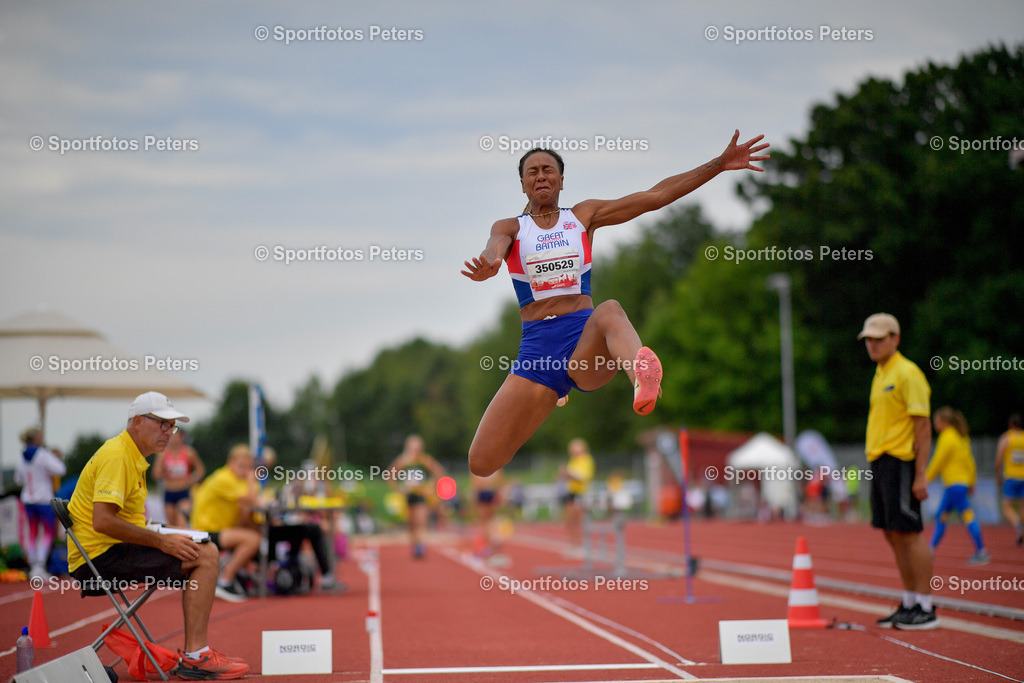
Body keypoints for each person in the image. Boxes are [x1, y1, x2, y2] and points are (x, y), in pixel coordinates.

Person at [463, 131, 769, 477]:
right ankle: (556, 396)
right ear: (522, 184)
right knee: (481, 463)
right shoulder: (511, 228)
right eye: (532, 172)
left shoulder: (583, 216)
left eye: (548, 170)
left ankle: (642, 377)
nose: (541, 176)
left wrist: (719, 164)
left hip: (584, 344)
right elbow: (494, 246)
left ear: (562, 180)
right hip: (537, 354)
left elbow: (655, 196)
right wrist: (489, 262)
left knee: (609, 309)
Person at [68, 392, 248, 679]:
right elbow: (102, 521)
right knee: (206, 554)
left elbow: (127, 521)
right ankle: (197, 657)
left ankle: (196, 654)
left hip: (106, 551)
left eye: (172, 426)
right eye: (162, 423)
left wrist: (172, 533)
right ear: (138, 422)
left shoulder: (131, 455)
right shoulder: (118, 456)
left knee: (199, 543)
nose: (168, 432)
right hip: (98, 559)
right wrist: (163, 540)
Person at [859, 313, 936, 630]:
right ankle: (909, 601)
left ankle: (926, 606)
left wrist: (921, 473)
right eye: (868, 339)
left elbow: (923, 425)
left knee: (909, 532)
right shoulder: (880, 374)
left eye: (879, 338)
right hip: (879, 461)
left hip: (901, 461)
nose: (872, 344)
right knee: (892, 533)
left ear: (895, 339)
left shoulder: (908, 373)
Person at [190, 444, 263, 602]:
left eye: (248, 467)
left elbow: (251, 506)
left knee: (256, 528)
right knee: (253, 539)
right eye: (241, 466)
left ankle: (245, 571)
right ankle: (226, 578)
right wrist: (251, 478)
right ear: (230, 463)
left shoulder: (238, 480)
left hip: (222, 529)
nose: (245, 471)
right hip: (205, 531)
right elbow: (254, 499)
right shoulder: (223, 478)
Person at [926, 407, 988, 564]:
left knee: (966, 516)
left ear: (944, 421)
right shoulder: (961, 437)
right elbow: (970, 462)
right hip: (960, 484)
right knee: (942, 516)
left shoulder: (947, 437)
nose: (934, 424)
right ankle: (930, 550)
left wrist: (924, 480)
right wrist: (972, 482)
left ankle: (981, 551)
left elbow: (937, 462)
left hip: (954, 485)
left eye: (936, 421)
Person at [14, 427, 66, 578]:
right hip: (43, 499)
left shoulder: (21, 456)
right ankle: (40, 566)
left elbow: (18, 479)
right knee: (48, 533)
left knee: (32, 533)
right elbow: (61, 469)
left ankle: (33, 566)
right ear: (38, 439)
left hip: (28, 499)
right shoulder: (43, 454)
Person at [386, 435, 446, 558]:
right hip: (408, 495)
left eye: (417, 448)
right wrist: (398, 489)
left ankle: (420, 545)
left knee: (420, 520)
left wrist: (430, 486)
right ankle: (415, 544)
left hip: (421, 495)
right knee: (411, 523)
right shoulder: (403, 461)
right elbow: (390, 475)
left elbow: (439, 472)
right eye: (412, 448)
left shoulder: (424, 460)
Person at [152, 428, 205, 528]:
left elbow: (200, 470)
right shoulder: (163, 454)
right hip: (169, 493)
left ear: (182, 437)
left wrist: (193, 479)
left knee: (181, 524)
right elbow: (156, 474)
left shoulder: (189, 452)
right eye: (172, 436)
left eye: (176, 436)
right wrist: (166, 472)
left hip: (184, 492)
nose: (174, 439)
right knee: (172, 526)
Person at [558, 438, 595, 546]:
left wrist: (568, 473)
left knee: (576, 518)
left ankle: (579, 540)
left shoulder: (586, 460)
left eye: (574, 450)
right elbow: (569, 476)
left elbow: (582, 477)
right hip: (571, 491)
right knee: (568, 519)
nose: (572, 452)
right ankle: (573, 539)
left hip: (581, 492)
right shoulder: (573, 460)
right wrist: (564, 474)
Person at [995, 413, 1024, 546]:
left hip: (1011, 477)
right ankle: (1020, 527)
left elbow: (999, 458)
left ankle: (1017, 524)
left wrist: (998, 474)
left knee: (1006, 508)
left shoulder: (1006, 438)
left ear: (1010, 424)